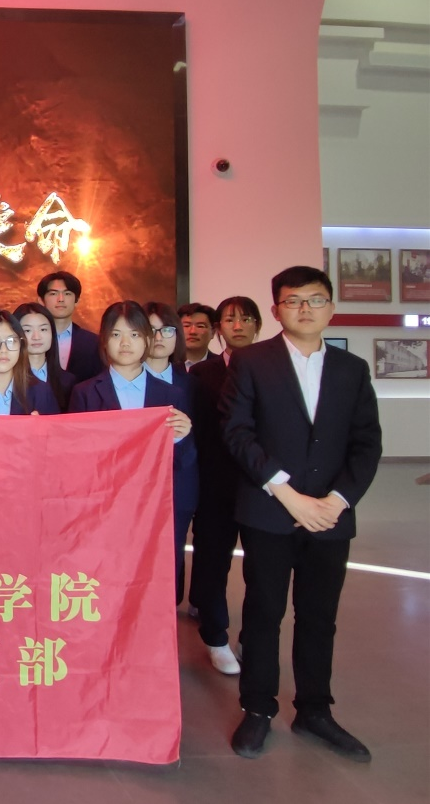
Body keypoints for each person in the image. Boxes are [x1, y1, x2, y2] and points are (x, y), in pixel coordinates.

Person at [223, 266, 381, 763]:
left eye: (315, 300)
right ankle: (258, 708)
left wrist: (337, 501)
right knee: (263, 611)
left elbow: (366, 443)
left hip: (330, 518)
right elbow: (237, 432)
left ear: (331, 307)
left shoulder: (352, 369)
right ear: (276, 311)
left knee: (319, 616)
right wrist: (287, 494)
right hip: (270, 511)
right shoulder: (251, 362)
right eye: (293, 301)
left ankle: (315, 710)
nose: (305, 309)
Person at [69, 301, 197, 609]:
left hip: (155, 509)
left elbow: (186, 462)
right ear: (104, 340)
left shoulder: (171, 394)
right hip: (103, 507)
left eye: (135, 335)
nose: (125, 343)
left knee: (154, 585)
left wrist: (182, 437)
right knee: (104, 581)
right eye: (116, 334)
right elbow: (74, 458)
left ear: (148, 339)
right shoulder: (84, 392)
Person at [186, 295, 263, 676]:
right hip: (215, 484)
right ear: (219, 329)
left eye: (246, 319)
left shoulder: (272, 369)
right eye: (230, 320)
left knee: (262, 570)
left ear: (258, 326)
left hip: (262, 486)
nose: (238, 326)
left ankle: (252, 638)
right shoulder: (203, 374)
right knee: (212, 563)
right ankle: (216, 637)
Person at [143, 301, 201, 607]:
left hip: (179, 484)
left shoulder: (194, 385)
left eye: (166, 330)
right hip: (132, 490)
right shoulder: (119, 381)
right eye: (150, 330)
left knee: (171, 555)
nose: (159, 337)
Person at [37, 270, 102, 382]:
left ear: (77, 300)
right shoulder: (30, 339)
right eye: (53, 294)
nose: (61, 299)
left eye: (67, 294)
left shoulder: (93, 342)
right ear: (41, 301)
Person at [13, 301, 76, 412]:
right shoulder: (7, 380)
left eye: (43, 329)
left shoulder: (67, 381)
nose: (36, 337)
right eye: (27, 330)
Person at [178, 302, 220, 368]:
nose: (192, 332)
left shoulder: (223, 365)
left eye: (200, 326)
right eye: (186, 325)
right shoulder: (166, 364)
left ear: (213, 332)